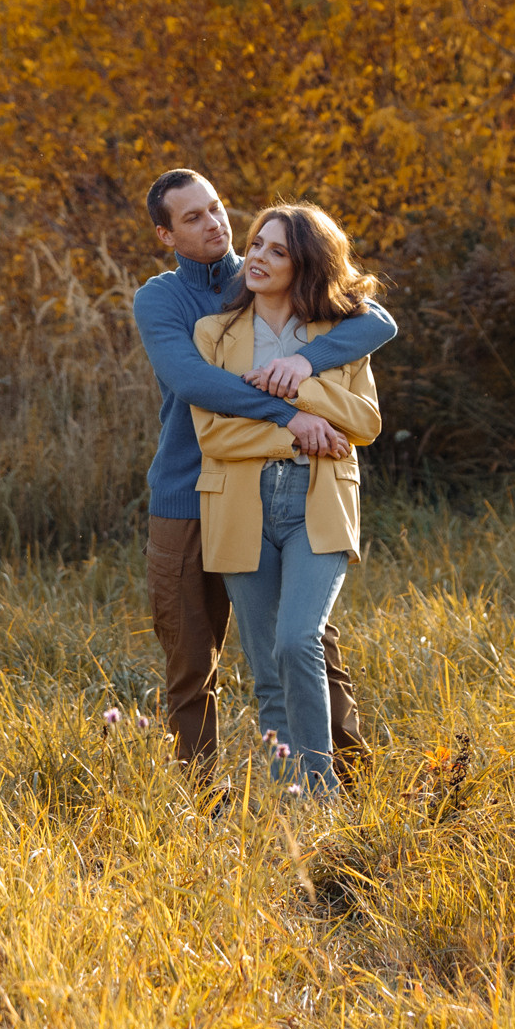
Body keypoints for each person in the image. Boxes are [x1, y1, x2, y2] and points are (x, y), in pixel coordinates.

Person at [132, 170, 396, 781]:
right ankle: (201, 798)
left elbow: (377, 321)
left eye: (217, 208)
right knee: (192, 656)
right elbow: (195, 383)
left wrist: (304, 361)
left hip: (283, 491)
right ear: (165, 234)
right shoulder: (166, 300)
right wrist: (293, 418)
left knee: (307, 644)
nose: (214, 224)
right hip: (188, 491)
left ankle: (343, 782)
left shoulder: (266, 272)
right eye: (192, 217)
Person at [189, 204, 381, 795]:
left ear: (305, 265)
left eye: (277, 250)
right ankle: (292, 800)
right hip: (241, 504)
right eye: (256, 245)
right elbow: (213, 433)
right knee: (268, 669)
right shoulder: (215, 334)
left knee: (299, 639)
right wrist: (291, 428)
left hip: (316, 500)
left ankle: (322, 793)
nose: (258, 258)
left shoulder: (336, 337)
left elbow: (366, 423)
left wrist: (307, 383)